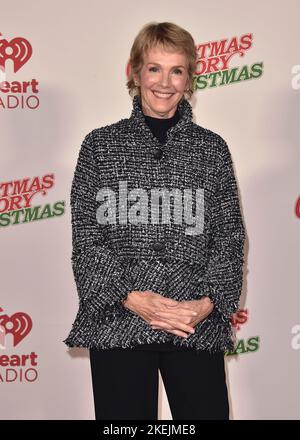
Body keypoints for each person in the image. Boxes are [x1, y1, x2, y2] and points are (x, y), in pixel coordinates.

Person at [63, 21, 246, 420]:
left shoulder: (212, 150)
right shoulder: (100, 146)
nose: (165, 83)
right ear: (134, 72)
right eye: (154, 69)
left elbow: (230, 237)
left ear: (189, 78)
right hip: (119, 318)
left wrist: (207, 304)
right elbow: (87, 240)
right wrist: (132, 298)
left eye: (177, 70)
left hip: (192, 322)